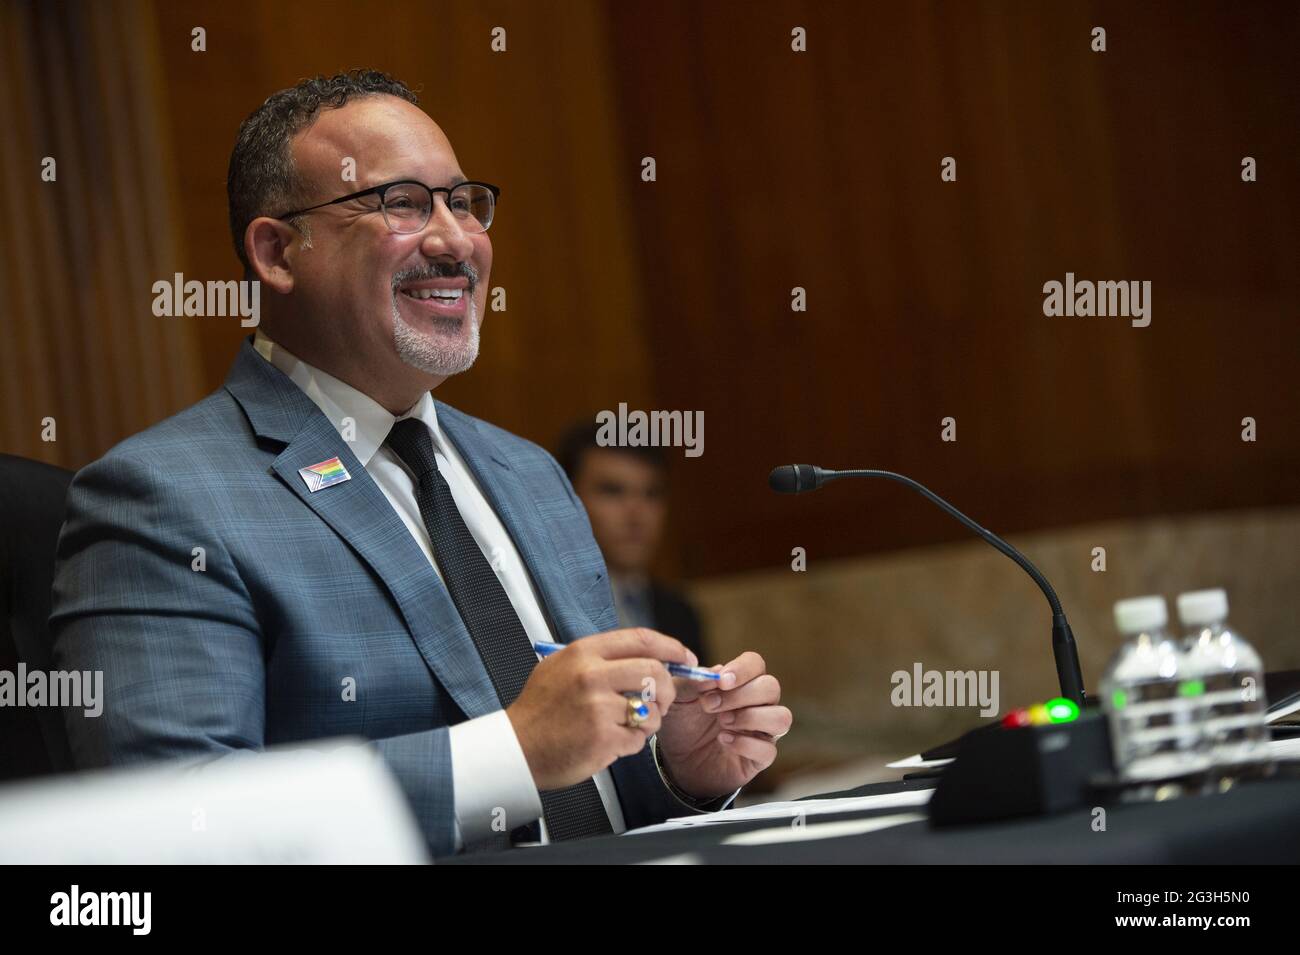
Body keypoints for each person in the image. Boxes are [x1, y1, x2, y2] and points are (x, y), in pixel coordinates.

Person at [49, 70, 791, 855]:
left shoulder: (528, 475)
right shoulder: (161, 496)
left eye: (463, 201)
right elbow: (168, 828)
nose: (453, 239)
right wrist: (511, 751)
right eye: (401, 203)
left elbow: (592, 789)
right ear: (276, 251)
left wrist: (680, 768)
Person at [556, 420, 707, 662]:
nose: (636, 514)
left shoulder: (680, 612)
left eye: (651, 493)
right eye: (612, 491)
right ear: (566, 500)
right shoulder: (548, 609)